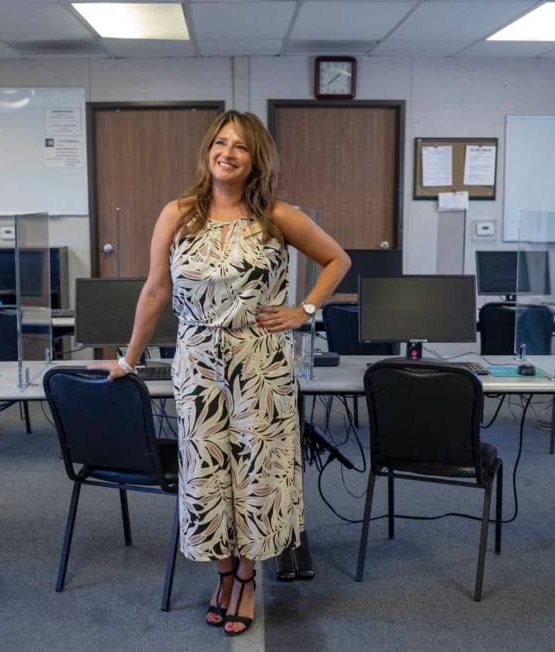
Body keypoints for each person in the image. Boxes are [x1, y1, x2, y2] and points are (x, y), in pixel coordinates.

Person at [91, 110, 350, 636]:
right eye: (221, 143)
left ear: (256, 160)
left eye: (241, 147)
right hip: (198, 365)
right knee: (208, 473)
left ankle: (249, 579)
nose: (227, 153)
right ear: (209, 150)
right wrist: (128, 359)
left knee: (258, 473)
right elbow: (155, 291)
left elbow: (337, 260)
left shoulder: (277, 216)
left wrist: (305, 310)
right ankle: (224, 572)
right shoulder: (179, 214)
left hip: (260, 363)